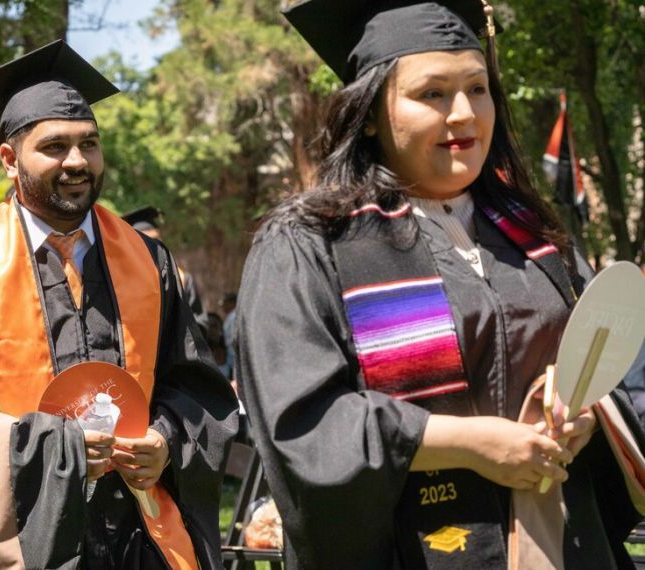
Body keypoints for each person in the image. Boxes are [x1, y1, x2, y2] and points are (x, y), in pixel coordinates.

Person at [237, 1, 645, 568]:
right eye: (432, 93)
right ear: (369, 114)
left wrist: (584, 411)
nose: (464, 114)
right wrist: (468, 445)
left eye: (478, 89)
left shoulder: (536, 232)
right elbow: (302, 424)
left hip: (563, 544)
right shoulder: (310, 244)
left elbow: (619, 375)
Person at [0, 40, 238, 569]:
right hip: (28, 537)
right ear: (9, 160)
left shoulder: (149, 261)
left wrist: (165, 440)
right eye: (54, 146)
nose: (76, 161)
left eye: (89, 144)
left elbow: (196, 388)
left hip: (137, 536)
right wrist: (52, 448)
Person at [123, 206, 210, 332]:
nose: (151, 246)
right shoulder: (119, 280)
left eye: (155, 241)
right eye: (143, 241)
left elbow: (200, 321)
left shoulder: (181, 279)